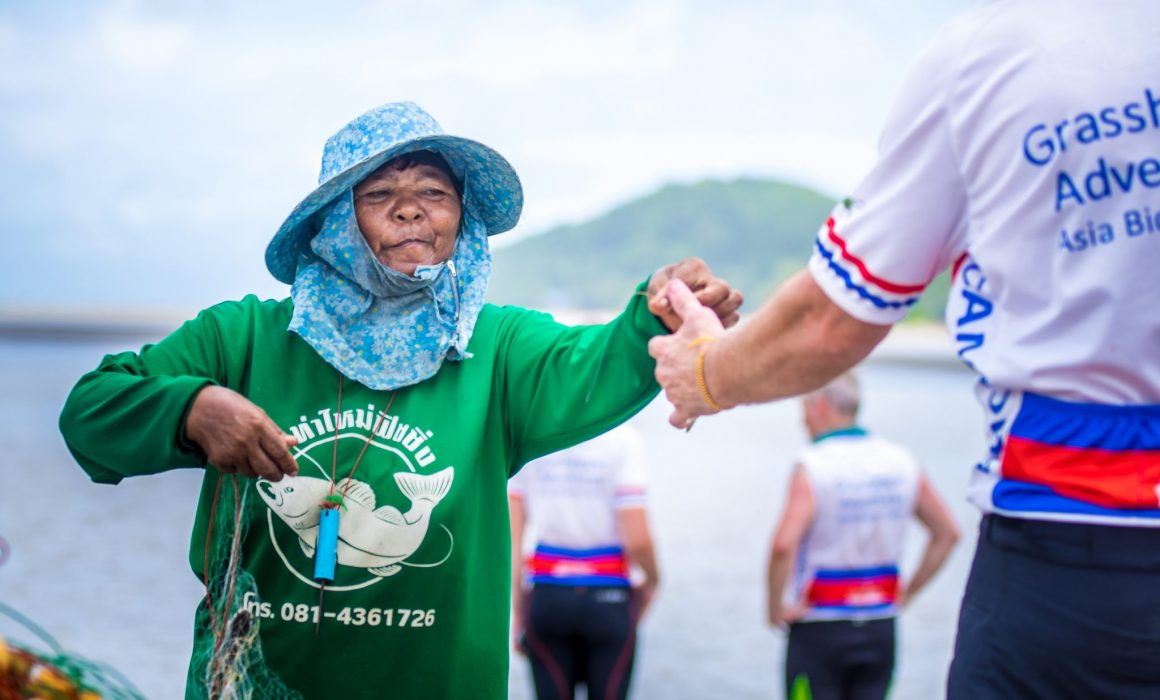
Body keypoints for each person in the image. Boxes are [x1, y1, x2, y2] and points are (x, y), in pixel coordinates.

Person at [57, 101, 742, 699]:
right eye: (379, 192)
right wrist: (192, 407)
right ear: (332, 222)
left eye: (433, 192)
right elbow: (91, 413)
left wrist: (660, 311)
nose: (411, 207)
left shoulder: (495, 348)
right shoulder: (243, 339)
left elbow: (597, 363)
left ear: (460, 216)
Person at [648, 2, 1160, 697]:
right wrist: (902, 600)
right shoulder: (899, 459)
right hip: (887, 621)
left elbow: (832, 319)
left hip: (1070, 546)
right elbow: (940, 533)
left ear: (819, 412)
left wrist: (707, 372)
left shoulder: (995, 53)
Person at [766, 372, 958, 700]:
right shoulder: (900, 459)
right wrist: (908, 593)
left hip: (820, 625)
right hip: (880, 625)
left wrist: (774, 607)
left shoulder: (814, 464)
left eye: (803, 411)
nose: (803, 423)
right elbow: (947, 533)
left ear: (820, 406)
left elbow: (784, 544)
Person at [508, 424, 659, 700]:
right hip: (609, 598)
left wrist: (518, 611)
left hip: (547, 596)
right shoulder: (623, 439)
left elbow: (512, 541)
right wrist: (653, 581)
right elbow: (637, 540)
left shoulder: (532, 436)